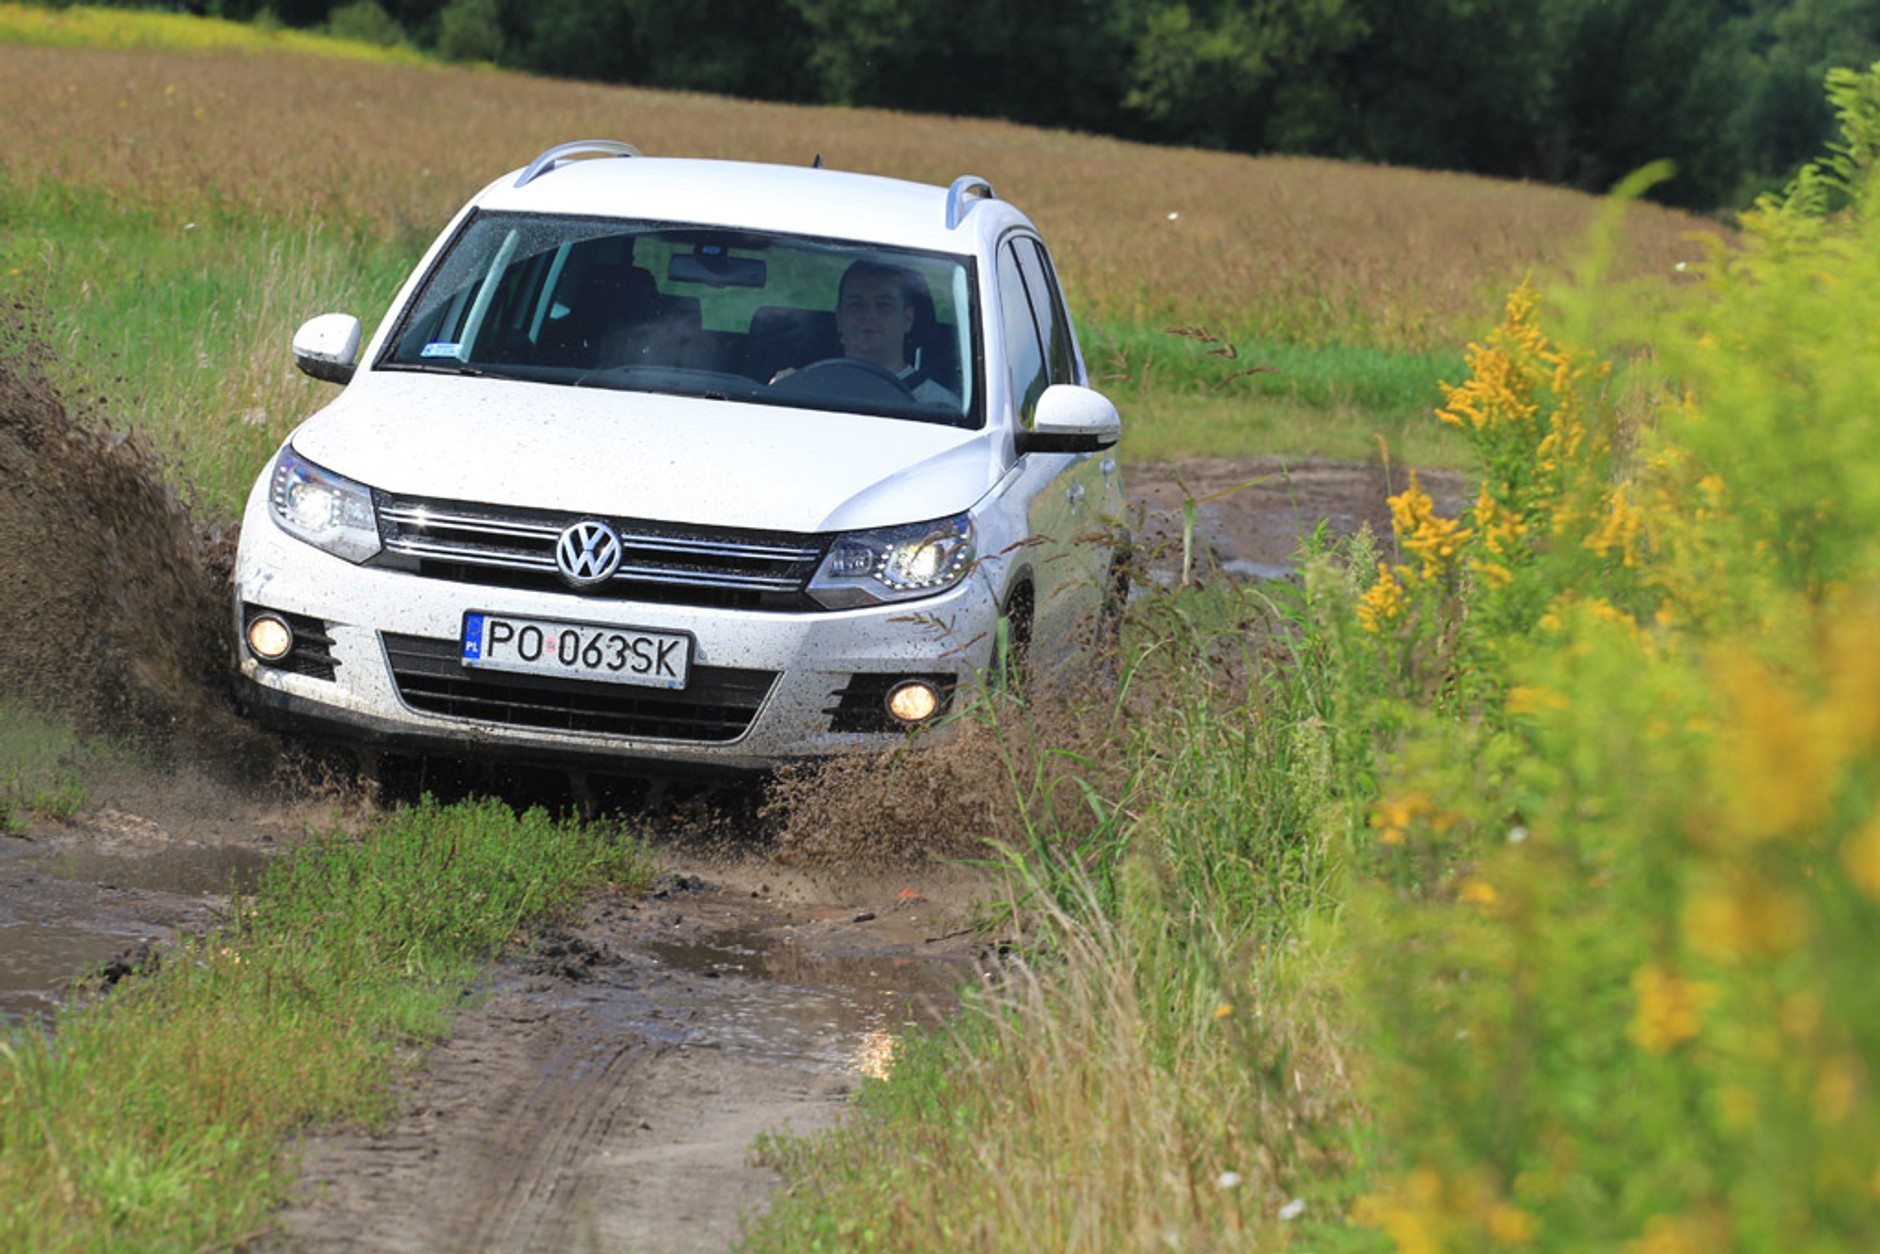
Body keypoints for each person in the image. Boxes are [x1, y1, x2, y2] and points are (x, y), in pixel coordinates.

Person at [778, 260, 960, 407]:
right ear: (839, 318)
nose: (869, 315)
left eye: (883, 305)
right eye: (856, 304)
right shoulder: (803, 390)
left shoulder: (938, 405)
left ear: (907, 319)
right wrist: (780, 392)